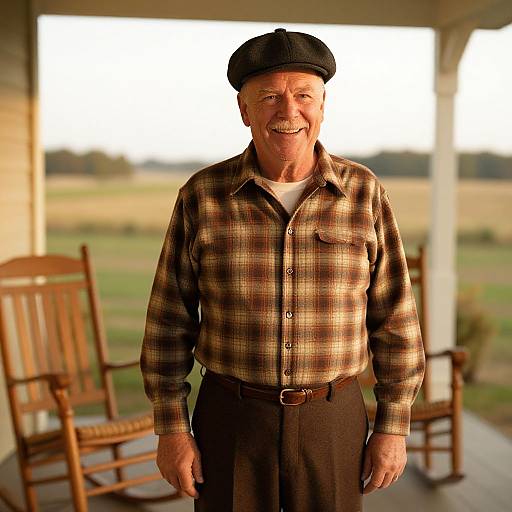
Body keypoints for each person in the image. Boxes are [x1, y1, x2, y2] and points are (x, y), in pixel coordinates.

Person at [140, 28, 426, 512]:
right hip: (229, 419)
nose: (288, 111)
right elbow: (168, 322)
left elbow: (395, 318)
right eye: (270, 96)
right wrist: (171, 427)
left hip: (334, 421)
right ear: (244, 110)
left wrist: (393, 424)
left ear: (323, 104)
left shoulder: (363, 192)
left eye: (303, 96)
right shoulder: (201, 194)